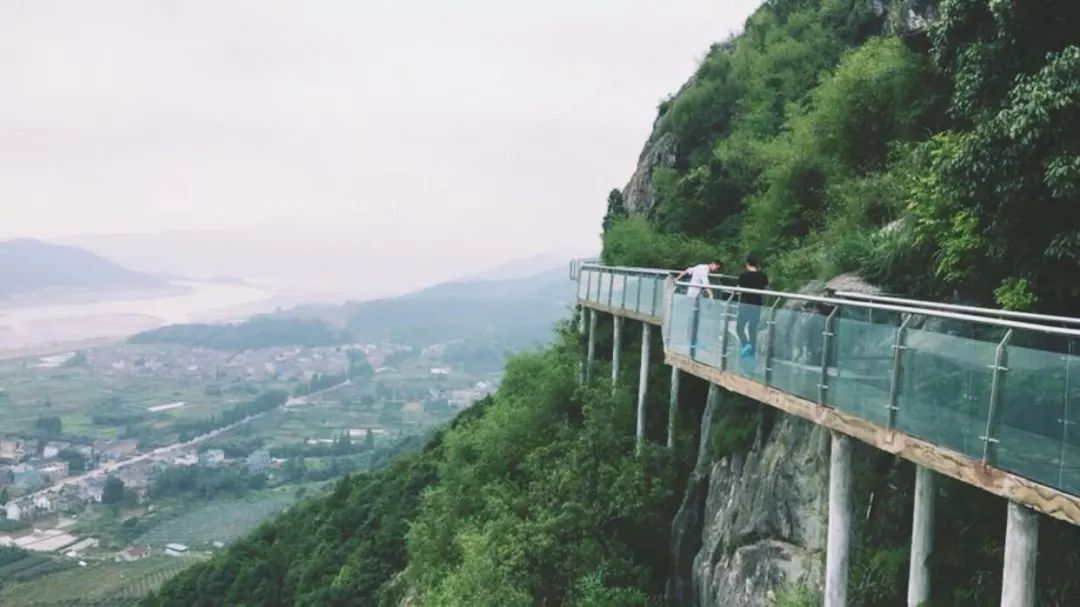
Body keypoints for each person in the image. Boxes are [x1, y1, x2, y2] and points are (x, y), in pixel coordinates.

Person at [736, 255, 768, 358]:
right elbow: (765, 286)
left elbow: (740, 286)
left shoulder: (743, 276)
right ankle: (752, 352)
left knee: (740, 327)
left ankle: (745, 344)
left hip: (745, 304)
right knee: (752, 329)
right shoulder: (762, 276)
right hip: (756, 305)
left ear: (747, 264)